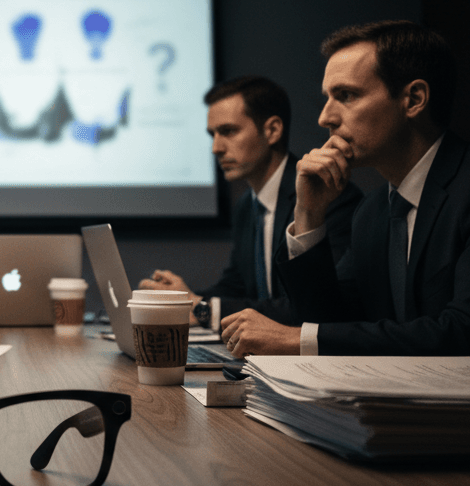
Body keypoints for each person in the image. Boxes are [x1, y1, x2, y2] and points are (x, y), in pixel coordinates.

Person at [220, 20, 470, 371]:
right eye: (327, 98)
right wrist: (309, 215)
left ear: (414, 99)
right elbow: (327, 321)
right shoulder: (373, 211)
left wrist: (298, 341)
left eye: (345, 96)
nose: (325, 117)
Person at [140, 76, 362, 328]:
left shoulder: (327, 196)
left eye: (228, 131)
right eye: (213, 134)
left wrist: (204, 308)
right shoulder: (247, 204)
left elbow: (311, 305)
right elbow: (236, 285)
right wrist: (183, 299)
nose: (216, 148)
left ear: (272, 131)